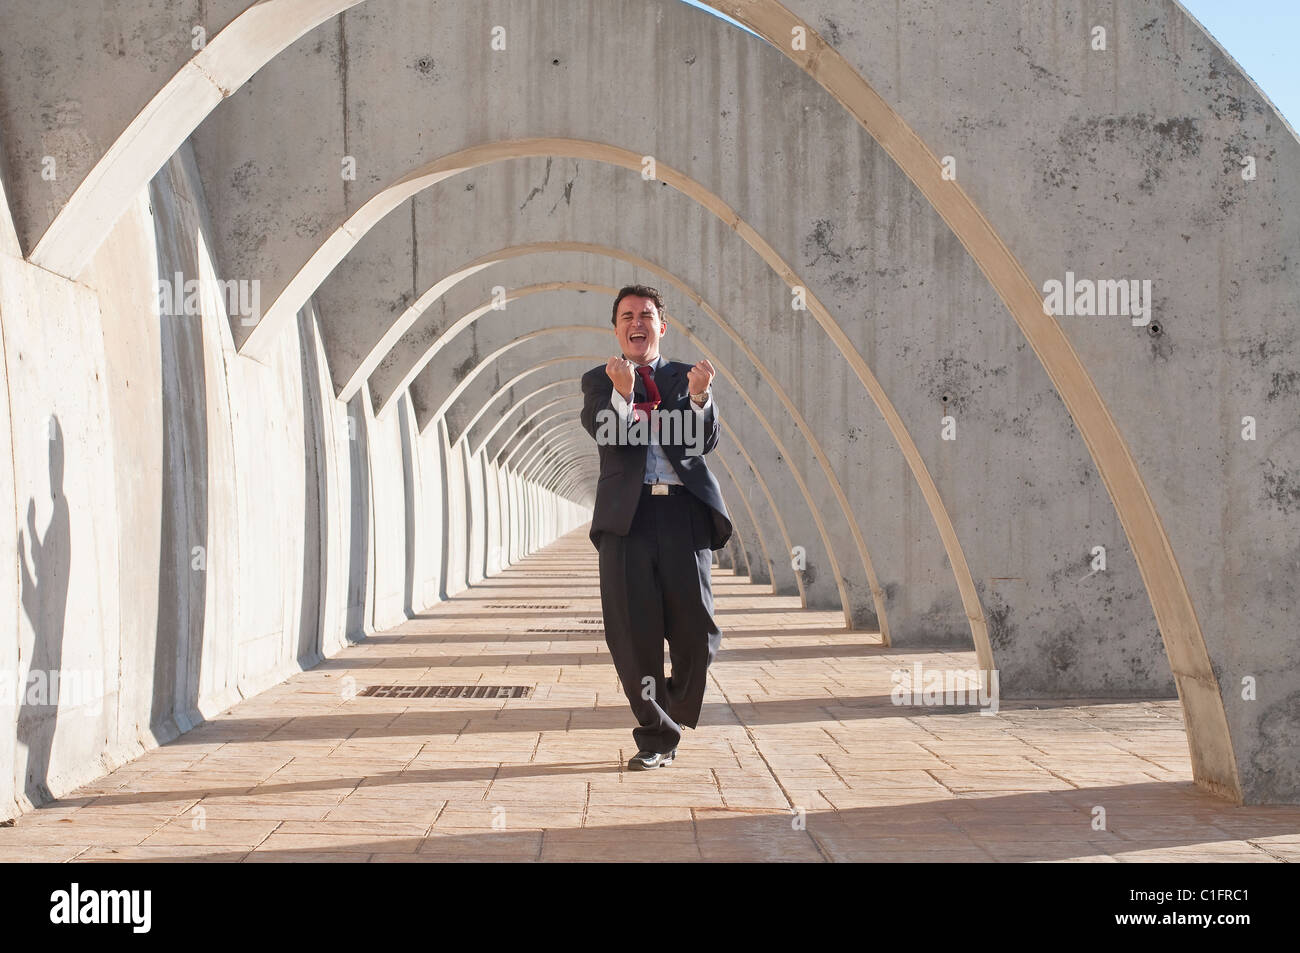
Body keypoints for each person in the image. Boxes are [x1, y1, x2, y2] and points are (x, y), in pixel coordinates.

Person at [579, 285, 732, 770]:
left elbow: (702, 442)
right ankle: (656, 736)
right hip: (627, 522)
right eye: (627, 316)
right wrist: (623, 394)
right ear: (617, 327)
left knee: (697, 633)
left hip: (682, 515)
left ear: (661, 326)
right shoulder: (598, 380)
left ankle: (671, 701)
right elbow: (608, 433)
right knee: (632, 634)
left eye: (646, 315)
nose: (636, 322)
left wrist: (699, 399)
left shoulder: (687, 377)